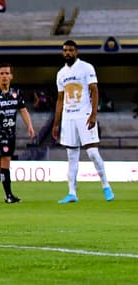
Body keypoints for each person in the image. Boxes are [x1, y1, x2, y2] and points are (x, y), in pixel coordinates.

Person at [52, 39, 115, 203]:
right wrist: (56, 123)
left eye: (71, 50)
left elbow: (94, 91)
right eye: (65, 50)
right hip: (68, 118)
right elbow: (60, 99)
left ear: (76, 52)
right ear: (62, 52)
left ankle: (106, 186)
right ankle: (72, 192)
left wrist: (93, 115)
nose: (68, 53)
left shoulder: (86, 68)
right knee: (71, 156)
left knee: (93, 153)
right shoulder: (61, 74)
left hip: (84, 115)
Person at [0, 63, 37, 203]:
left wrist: (30, 126)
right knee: (6, 161)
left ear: (11, 76)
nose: (4, 76)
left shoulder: (16, 93)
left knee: (2, 165)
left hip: (11, 133)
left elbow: (23, 110)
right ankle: (9, 195)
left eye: (7, 73)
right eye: (2, 73)